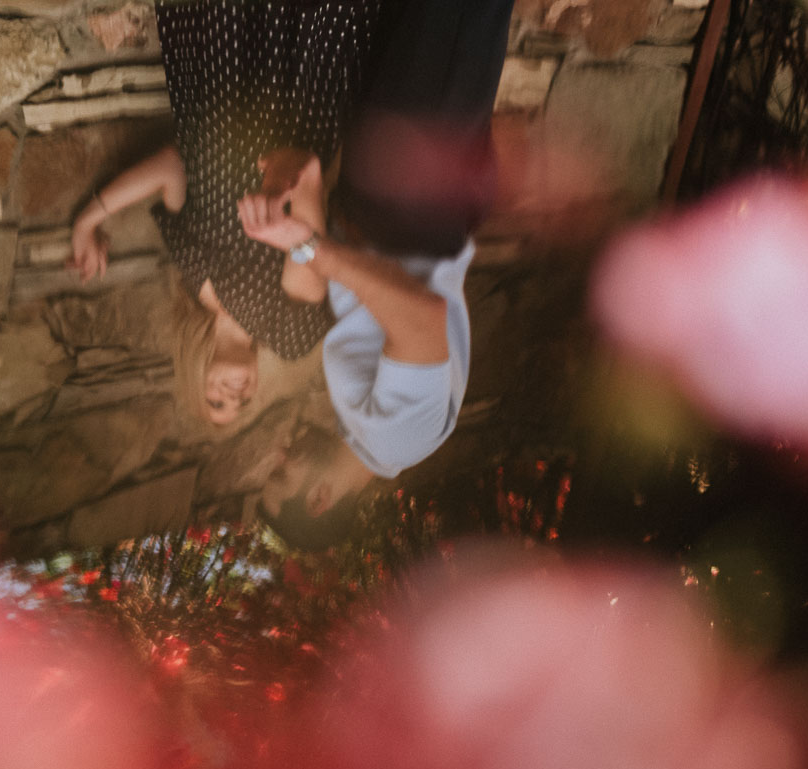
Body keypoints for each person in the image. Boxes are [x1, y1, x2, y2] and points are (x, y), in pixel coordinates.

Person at [242, 0, 514, 547]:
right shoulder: (399, 440)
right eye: (282, 476)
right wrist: (312, 248)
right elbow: (420, 317)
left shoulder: (358, 423)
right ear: (321, 500)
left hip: (387, 198)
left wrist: (305, 202)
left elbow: (350, 293)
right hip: (419, 197)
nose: (280, 457)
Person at [70, 0, 391, 426]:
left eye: (216, 402)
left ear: (193, 375)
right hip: (295, 95)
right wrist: (285, 189)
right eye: (243, 405)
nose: (235, 398)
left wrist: (88, 219)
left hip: (218, 79)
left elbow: (171, 167)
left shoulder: (192, 273)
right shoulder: (289, 336)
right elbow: (308, 227)